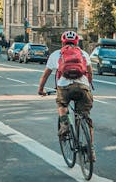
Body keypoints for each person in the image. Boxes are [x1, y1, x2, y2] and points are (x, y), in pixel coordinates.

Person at [37, 30, 95, 160]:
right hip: (83, 87)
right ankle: (91, 150)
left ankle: (64, 125)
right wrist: (88, 85)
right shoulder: (84, 54)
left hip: (64, 87)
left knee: (62, 103)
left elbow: (45, 75)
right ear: (77, 42)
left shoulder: (56, 54)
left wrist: (41, 89)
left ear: (62, 42)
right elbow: (90, 73)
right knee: (86, 118)